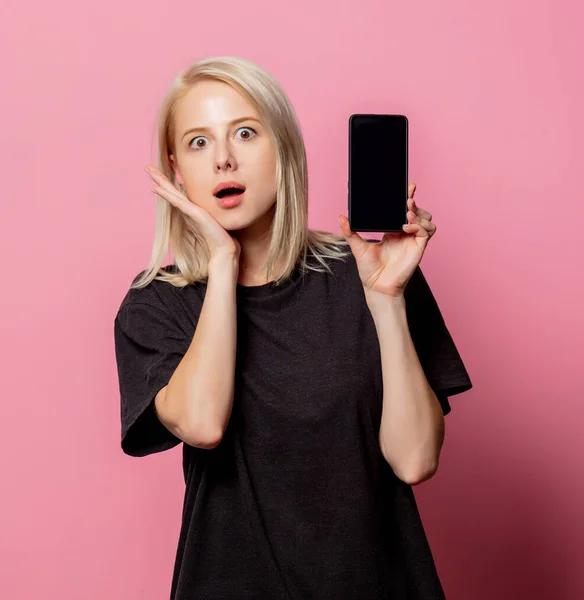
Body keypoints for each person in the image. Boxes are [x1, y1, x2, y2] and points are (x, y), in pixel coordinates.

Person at [113, 55, 473, 600]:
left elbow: (416, 459)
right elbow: (203, 424)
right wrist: (222, 260)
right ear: (176, 168)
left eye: (245, 132)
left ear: (282, 149)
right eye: (199, 143)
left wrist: (388, 302)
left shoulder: (371, 273)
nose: (224, 160)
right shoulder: (157, 304)